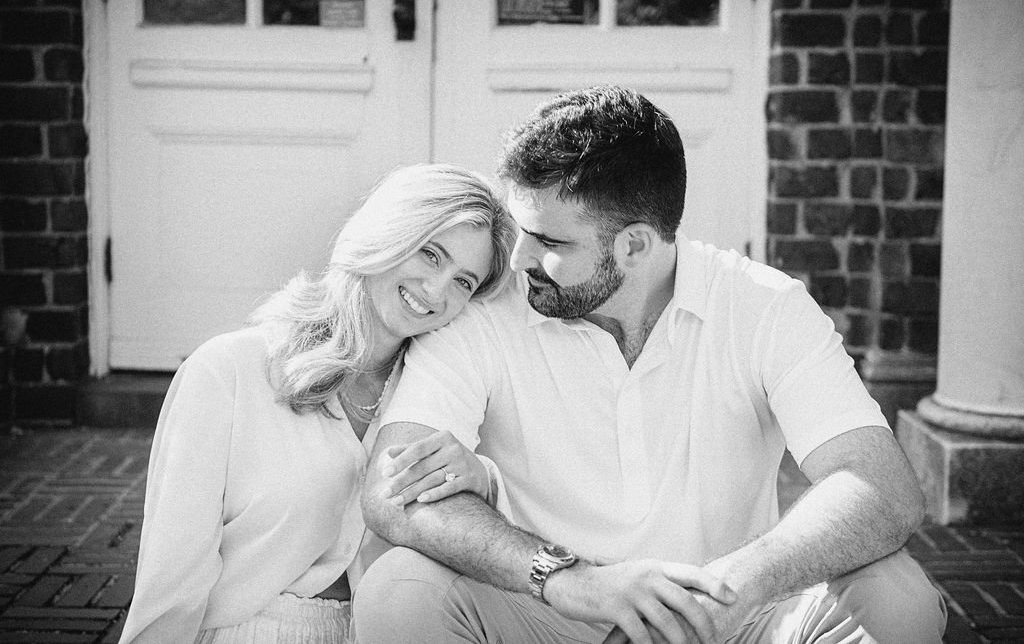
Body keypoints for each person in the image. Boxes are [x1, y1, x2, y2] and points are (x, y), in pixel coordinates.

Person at [354, 86, 948, 643]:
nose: (517, 260)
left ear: (634, 245)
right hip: (545, 612)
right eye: (522, 231)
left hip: (728, 616)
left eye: (549, 242)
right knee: (398, 590)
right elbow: (391, 490)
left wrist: (731, 589)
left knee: (898, 598)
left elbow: (880, 486)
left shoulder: (764, 306)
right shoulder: (484, 313)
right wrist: (565, 578)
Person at [119, 164, 516, 643]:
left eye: (463, 282)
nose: (437, 291)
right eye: (430, 254)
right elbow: (170, 579)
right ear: (387, 233)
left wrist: (484, 480)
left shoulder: (444, 399)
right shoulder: (229, 372)